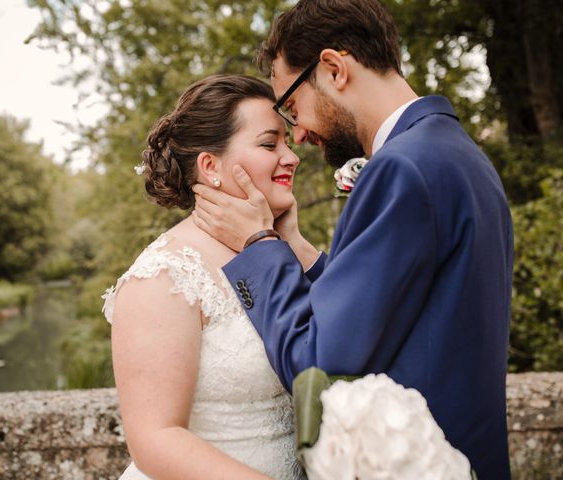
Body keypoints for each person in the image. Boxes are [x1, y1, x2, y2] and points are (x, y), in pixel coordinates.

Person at [192, 1, 513, 478]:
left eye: (293, 106)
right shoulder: (457, 153)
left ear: (334, 69)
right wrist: (297, 249)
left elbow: (319, 364)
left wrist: (259, 245)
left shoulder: (402, 168)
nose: (298, 134)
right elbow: (407, 306)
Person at [102, 74, 306, 480]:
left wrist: (293, 241)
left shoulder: (275, 251)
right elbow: (155, 439)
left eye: (287, 142)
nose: (291, 157)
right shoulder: (165, 275)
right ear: (210, 167)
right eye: (270, 144)